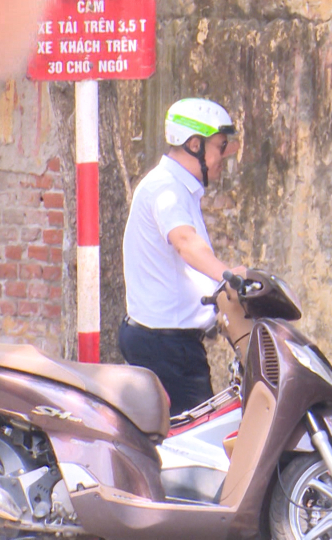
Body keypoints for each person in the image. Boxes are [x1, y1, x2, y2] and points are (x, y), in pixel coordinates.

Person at [120, 98, 244, 416]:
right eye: (220, 146)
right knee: (199, 434)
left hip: (171, 343)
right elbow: (186, 243)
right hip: (165, 346)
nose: (224, 157)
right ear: (194, 144)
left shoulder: (178, 187)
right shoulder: (166, 189)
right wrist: (230, 276)